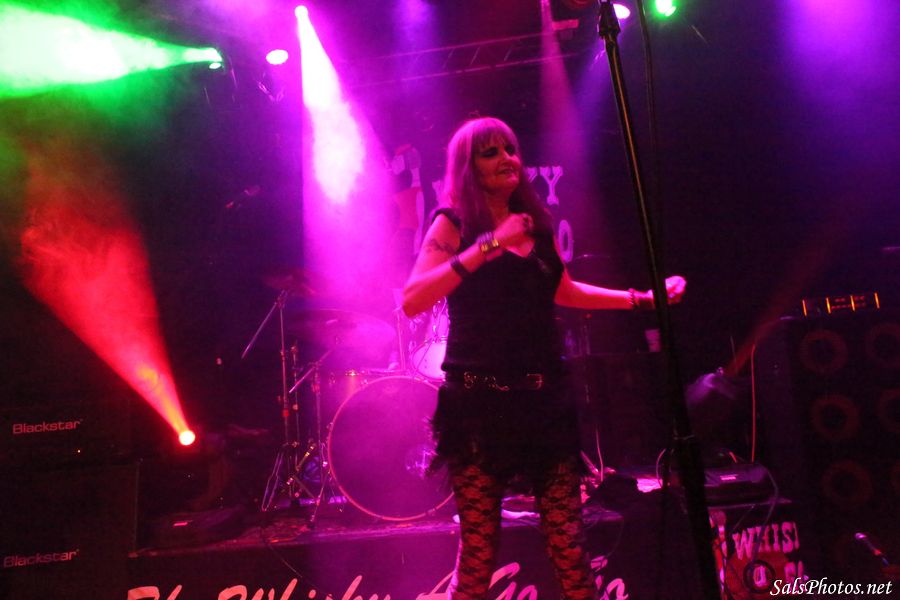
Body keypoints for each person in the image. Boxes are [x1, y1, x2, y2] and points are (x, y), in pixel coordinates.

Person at [402, 117, 686, 599]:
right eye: (490, 152)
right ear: (468, 167)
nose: (506, 158)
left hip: (544, 402)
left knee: (570, 546)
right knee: (478, 554)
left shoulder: (536, 224)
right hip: (478, 407)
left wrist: (642, 299)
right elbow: (413, 299)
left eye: (510, 149)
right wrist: (490, 245)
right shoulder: (454, 223)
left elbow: (565, 291)